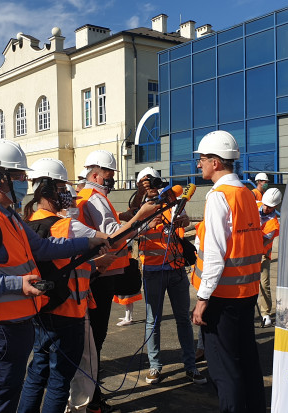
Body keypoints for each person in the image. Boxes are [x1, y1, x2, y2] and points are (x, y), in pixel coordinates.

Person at [0, 140, 109, 413]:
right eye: (20, 177)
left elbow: (43, 248)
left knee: (9, 401)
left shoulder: (8, 215)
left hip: (14, 327)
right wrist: (17, 284)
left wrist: (89, 243)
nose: (25, 182)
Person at [18, 158, 113, 413]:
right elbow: (111, 237)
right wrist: (141, 215)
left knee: (37, 373)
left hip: (40, 307)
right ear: (48, 190)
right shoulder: (65, 225)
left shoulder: (28, 224)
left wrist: (92, 266)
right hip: (68, 311)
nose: (67, 194)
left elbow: (58, 264)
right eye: (61, 188)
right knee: (60, 380)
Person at [76, 149, 158, 413]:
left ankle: (90, 394)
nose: (111, 179)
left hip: (99, 274)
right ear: (97, 174)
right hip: (100, 275)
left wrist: (135, 217)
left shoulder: (90, 195)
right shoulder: (95, 198)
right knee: (95, 338)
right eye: (109, 174)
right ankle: (92, 397)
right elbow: (113, 236)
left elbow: (112, 228)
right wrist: (140, 217)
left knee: (92, 339)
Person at [190, 130, 266, 413]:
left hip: (222, 297)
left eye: (202, 159)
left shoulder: (218, 196)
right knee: (246, 360)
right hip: (246, 293)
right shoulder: (245, 193)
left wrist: (202, 298)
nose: (199, 165)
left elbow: (215, 253)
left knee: (224, 368)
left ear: (216, 162)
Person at [135, 167, 205, 385]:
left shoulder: (171, 202)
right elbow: (130, 231)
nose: (152, 189)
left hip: (176, 270)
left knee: (183, 319)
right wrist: (147, 225)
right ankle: (155, 366)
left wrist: (182, 221)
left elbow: (184, 220)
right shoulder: (139, 207)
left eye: (154, 183)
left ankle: (190, 366)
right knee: (152, 321)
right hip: (152, 272)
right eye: (147, 184)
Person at [256, 188, 282, 328]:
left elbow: (264, 243)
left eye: (269, 206)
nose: (265, 208)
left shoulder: (273, 224)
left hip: (263, 253)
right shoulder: (254, 205)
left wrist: (256, 253)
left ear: (275, 206)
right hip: (245, 250)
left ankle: (265, 312)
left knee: (263, 282)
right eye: (265, 204)